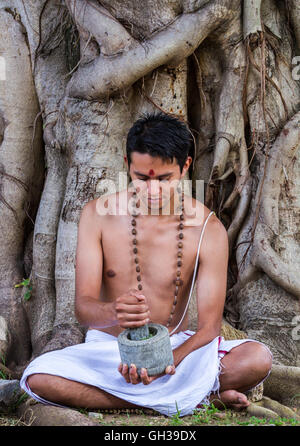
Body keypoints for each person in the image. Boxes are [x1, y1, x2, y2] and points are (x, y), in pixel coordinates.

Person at [20, 112, 272, 416]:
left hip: (177, 350)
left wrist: (166, 361)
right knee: (39, 379)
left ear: (185, 167)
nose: (152, 191)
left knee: (257, 358)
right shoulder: (97, 216)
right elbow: (83, 309)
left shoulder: (208, 228)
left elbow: (209, 327)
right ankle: (192, 399)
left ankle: (163, 395)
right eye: (142, 178)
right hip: (109, 352)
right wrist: (112, 311)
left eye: (164, 179)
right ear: (128, 166)